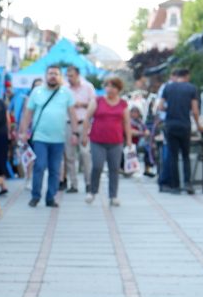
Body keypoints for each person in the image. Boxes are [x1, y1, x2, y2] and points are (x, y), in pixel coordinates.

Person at [17, 65, 79, 208]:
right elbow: (28, 113)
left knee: (55, 170)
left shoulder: (66, 93)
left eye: (56, 74)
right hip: (40, 137)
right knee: (39, 166)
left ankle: (50, 197)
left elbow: (72, 114)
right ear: (46, 76)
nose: (53, 76)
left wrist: (75, 133)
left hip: (58, 138)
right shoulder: (37, 92)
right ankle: (35, 196)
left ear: (60, 77)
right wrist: (23, 132)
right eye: (50, 73)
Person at [82, 77, 132, 206]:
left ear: (118, 89)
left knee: (114, 168)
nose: (110, 89)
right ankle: (92, 191)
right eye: (108, 86)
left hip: (116, 141)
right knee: (97, 166)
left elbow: (126, 122)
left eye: (113, 87)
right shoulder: (97, 101)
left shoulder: (123, 104)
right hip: (97, 140)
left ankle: (113, 196)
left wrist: (129, 140)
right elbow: (87, 118)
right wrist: (84, 135)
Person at [159, 68, 203, 194]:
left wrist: (170, 109)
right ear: (186, 76)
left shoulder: (168, 88)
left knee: (173, 156)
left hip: (170, 125)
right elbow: (195, 110)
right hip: (184, 125)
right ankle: (188, 183)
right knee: (185, 155)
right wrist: (198, 125)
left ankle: (175, 186)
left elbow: (160, 106)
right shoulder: (191, 88)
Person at [64, 65, 96, 193]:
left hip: (84, 123)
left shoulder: (88, 87)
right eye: (68, 76)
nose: (69, 78)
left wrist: (81, 104)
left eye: (71, 76)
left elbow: (94, 104)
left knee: (85, 153)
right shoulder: (65, 88)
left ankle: (89, 183)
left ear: (77, 75)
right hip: (68, 124)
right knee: (69, 155)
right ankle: (73, 184)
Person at [129, 106, 155, 177]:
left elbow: (146, 130)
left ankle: (147, 169)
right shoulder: (128, 121)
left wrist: (146, 132)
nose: (134, 114)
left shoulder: (140, 122)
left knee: (149, 147)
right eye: (133, 112)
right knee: (147, 146)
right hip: (131, 143)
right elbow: (131, 132)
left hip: (140, 142)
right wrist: (142, 133)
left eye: (136, 112)